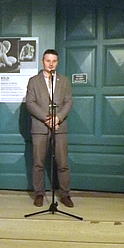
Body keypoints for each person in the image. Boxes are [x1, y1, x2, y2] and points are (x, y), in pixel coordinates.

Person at [26, 49, 74, 208]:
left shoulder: (64, 81)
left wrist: (58, 118)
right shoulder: (33, 81)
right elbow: (30, 103)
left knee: (62, 163)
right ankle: (39, 194)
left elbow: (68, 102)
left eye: (54, 61)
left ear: (57, 62)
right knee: (38, 163)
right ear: (42, 62)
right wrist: (47, 118)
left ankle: (65, 195)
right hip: (40, 127)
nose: (51, 64)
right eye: (48, 61)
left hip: (60, 126)